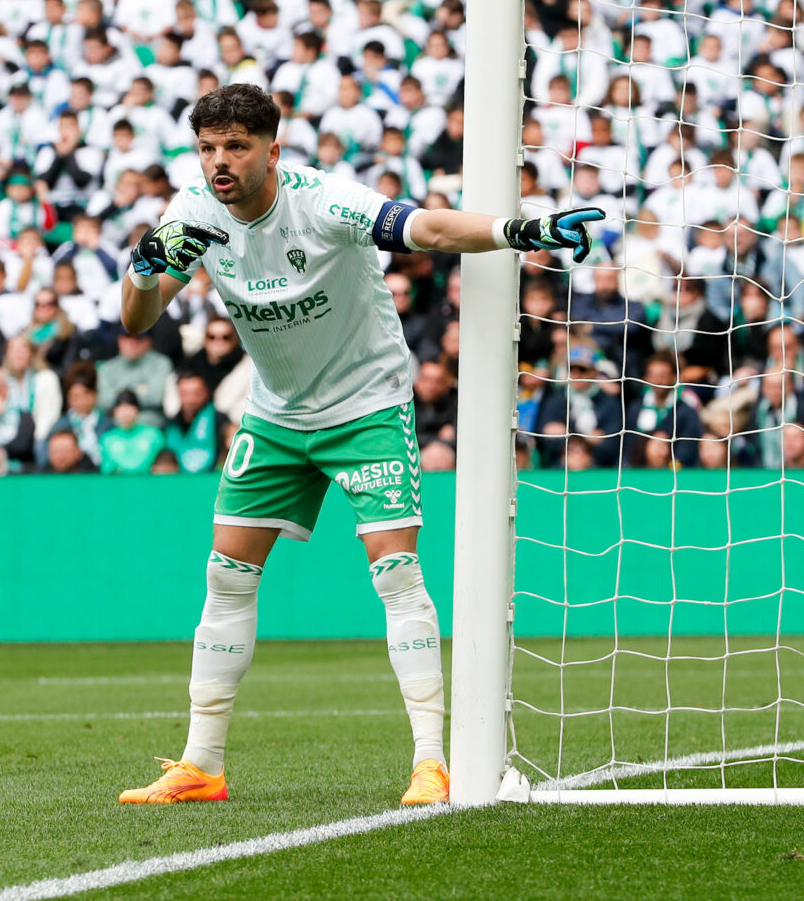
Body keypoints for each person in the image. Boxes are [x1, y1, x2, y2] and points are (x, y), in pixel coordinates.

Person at [116, 84, 599, 807]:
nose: (220, 162)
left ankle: (432, 765)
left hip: (366, 406)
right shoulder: (192, 212)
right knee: (226, 579)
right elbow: (136, 321)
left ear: (272, 150)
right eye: (208, 147)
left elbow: (429, 231)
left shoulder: (322, 201)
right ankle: (201, 765)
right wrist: (145, 269)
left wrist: (516, 230)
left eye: (237, 147)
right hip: (275, 414)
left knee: (396, 574)